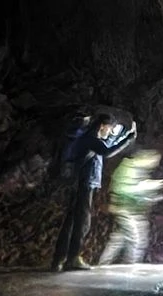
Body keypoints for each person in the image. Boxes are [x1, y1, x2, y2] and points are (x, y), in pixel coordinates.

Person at [51, 113, 136, 271]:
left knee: (72, 221)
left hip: (80, 183)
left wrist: (123, 134)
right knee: (82, 221)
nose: (110, 132)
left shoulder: (89, 139)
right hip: (84, 183)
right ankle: (73, 258)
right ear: (102, 126)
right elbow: (106, 151)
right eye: (109, 128)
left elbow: (107, 144)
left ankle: (60, 259)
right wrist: (127, 139)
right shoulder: (91, 139)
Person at [99, 149, 163, 265]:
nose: (153, 166)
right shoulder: (128, 169)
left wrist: (151, 197)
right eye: (153, 162)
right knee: (136, 240)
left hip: (135, 211)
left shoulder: (139, 171)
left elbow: (137, 195)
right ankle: (131, 268)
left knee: (118, 240)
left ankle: (103, 264)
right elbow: (122, 190)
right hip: (125, 210)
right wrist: (147, 187)